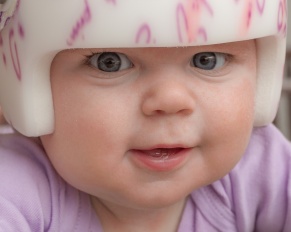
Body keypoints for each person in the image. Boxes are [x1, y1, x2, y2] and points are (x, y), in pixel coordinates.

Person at [0, 0, 290, 231]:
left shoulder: (259, 164)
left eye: (207, 60)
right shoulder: (15, 185)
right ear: (32, 91)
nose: (169, 101)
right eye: (110, 63)